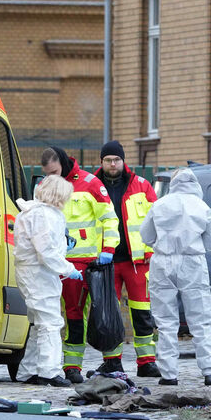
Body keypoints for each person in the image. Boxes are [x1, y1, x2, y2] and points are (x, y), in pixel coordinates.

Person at [40, 146, 120, 383]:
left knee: (104, 311)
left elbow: (109, 219)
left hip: (93, 264)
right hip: (62, 265)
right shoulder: (46, 185)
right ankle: (72, 366)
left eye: (55, 171)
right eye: (48, 173)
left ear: (63, 163)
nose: (52, 177)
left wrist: (108, 249)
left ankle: (113, 360)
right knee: (73, 315)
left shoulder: (91, 183)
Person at [140, 168, 211, 386]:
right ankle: (210, 372)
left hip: (163, 261)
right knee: (201, 320)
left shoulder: (160, 204)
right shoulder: (202, 207)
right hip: (192, 261)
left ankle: (169, 374)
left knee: (166, 321)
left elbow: (146, 235)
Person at [93, 140, 160, 377]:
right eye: (108, 160)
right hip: (105, 261)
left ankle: (147, 362)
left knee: (142, 311)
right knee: (107, 313)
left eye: (116, 160)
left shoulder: (141, 185)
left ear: (123, 161)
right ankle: (112, 361)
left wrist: (152, 252)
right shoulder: (92, 185)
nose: (113, 164)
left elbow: (155, 220)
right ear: (101, 162)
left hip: (137, 260)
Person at [13, 175, 84, 387]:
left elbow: (44, 246)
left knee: (38, 324)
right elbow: (45, 251)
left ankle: (28, 371)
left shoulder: (34, 213)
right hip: (39, 274)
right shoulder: (44, 215)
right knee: (51, 324)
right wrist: (69, 268)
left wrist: (63, 247)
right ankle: (49, 371)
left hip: (34, 273)